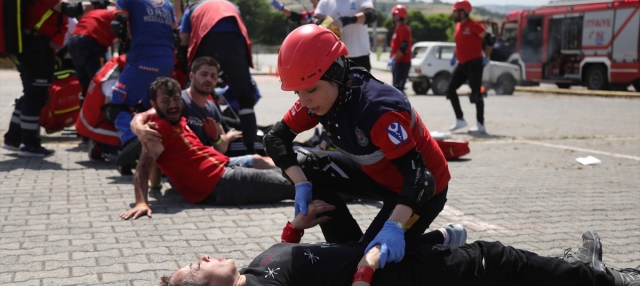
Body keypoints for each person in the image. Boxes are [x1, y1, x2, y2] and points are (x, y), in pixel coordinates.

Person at [263, 25, 451, 268]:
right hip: (379, 177)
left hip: (422, 189)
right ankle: (350, 247)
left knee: (375, 264)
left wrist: (393, 227)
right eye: (298, 92)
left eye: (310, 90)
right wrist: (301, 183)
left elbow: (420, 177)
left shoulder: (378, 110)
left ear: (337, 74)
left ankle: (436, 241)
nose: (304, 100)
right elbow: (274, 139)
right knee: (305, 166)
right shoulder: (323, 96)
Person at [159, 200, 640, 286]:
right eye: (195, 271)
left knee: (508, 269)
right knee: (499, 259)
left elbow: (302, 258)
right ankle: (607, 279)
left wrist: (298, 224)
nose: (201, 257)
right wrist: (367, 269)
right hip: (400, 274)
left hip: (365, 249)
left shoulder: (250, 271)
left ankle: (576, 273)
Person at [119, 77, 295, 220]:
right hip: (218, 183)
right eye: (165, 101)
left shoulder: (176, 120)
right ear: (153, 104)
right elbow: (142, 168)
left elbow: (157, 161)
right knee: (290, 185)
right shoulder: (156, 129)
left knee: (286, 174)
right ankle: (320, 191)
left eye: (176, 99)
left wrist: (156, 185)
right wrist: (141, 203)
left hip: (224, 168)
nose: (173, 105)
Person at [1, 0, 110, 157]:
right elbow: (71, 9)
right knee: (36, 96)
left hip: (30, 48)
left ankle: (13, 140)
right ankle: (29, 144)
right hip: (38, 50)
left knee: (30, 94)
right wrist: (98, 4)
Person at [131, 56, 275, 169]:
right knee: (261, 155)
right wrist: (140, 129)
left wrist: (218, 138)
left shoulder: (212, 108)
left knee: (260, 161)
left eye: (213, 76)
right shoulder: (178, 100)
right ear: (192, 76)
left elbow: (222, 148)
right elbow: (143, 116)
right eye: (204, 74)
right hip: (187, 168)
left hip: (209, 161)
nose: (209, 79)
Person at [177, 0, 258, 154]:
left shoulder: (190, 10)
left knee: (195, 91)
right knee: (246, 99)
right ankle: (250, 147)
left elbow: (183, 42)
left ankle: (193, 142)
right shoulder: (232, 5)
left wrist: (183, 55)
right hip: (236, 41)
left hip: (208, 38)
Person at [107, 0, 177, 164]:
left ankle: (131, 141)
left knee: (117, 105)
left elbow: (118, 23)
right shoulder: (165, 2)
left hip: (142, 60)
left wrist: (124, 40)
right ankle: (162, 153)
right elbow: (175, 34)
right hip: (167, 62)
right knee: (151, 108)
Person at [447, 0, 495, 134]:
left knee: (476, 94)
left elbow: (490, 38)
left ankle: (480, 124)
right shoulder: (458, 26)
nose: (454, 14)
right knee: (450, 90)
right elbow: (461, 43)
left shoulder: (473, 25)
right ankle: (460, 119)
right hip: (462, 64)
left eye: (456, 12)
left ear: (464, 12)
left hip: (474, 64)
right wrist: (455, 54)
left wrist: (486, 56)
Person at [313, 0, 377, 71]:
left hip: (359, 55)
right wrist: (327, 21)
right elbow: (315, 21)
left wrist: (347, 20)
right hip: (335, 57)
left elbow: (371, 15)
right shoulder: (326, 0)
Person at [68, 0, 117, 108]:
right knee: (101, 82)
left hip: (75, 42)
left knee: (86, 85)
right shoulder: (118, 14)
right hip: (91, 43)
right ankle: (100, 117)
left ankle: (84, 118)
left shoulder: (97, 13)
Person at [388, 5, 412, 92]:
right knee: (396, 89)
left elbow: (404, 47)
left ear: (397, 16)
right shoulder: (397, 29)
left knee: (398, 90)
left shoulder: (403, 29)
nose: (392, 17)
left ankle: (405, 106)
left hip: (402, 63)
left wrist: (393, 59)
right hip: (397, 62)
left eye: (394, 15)